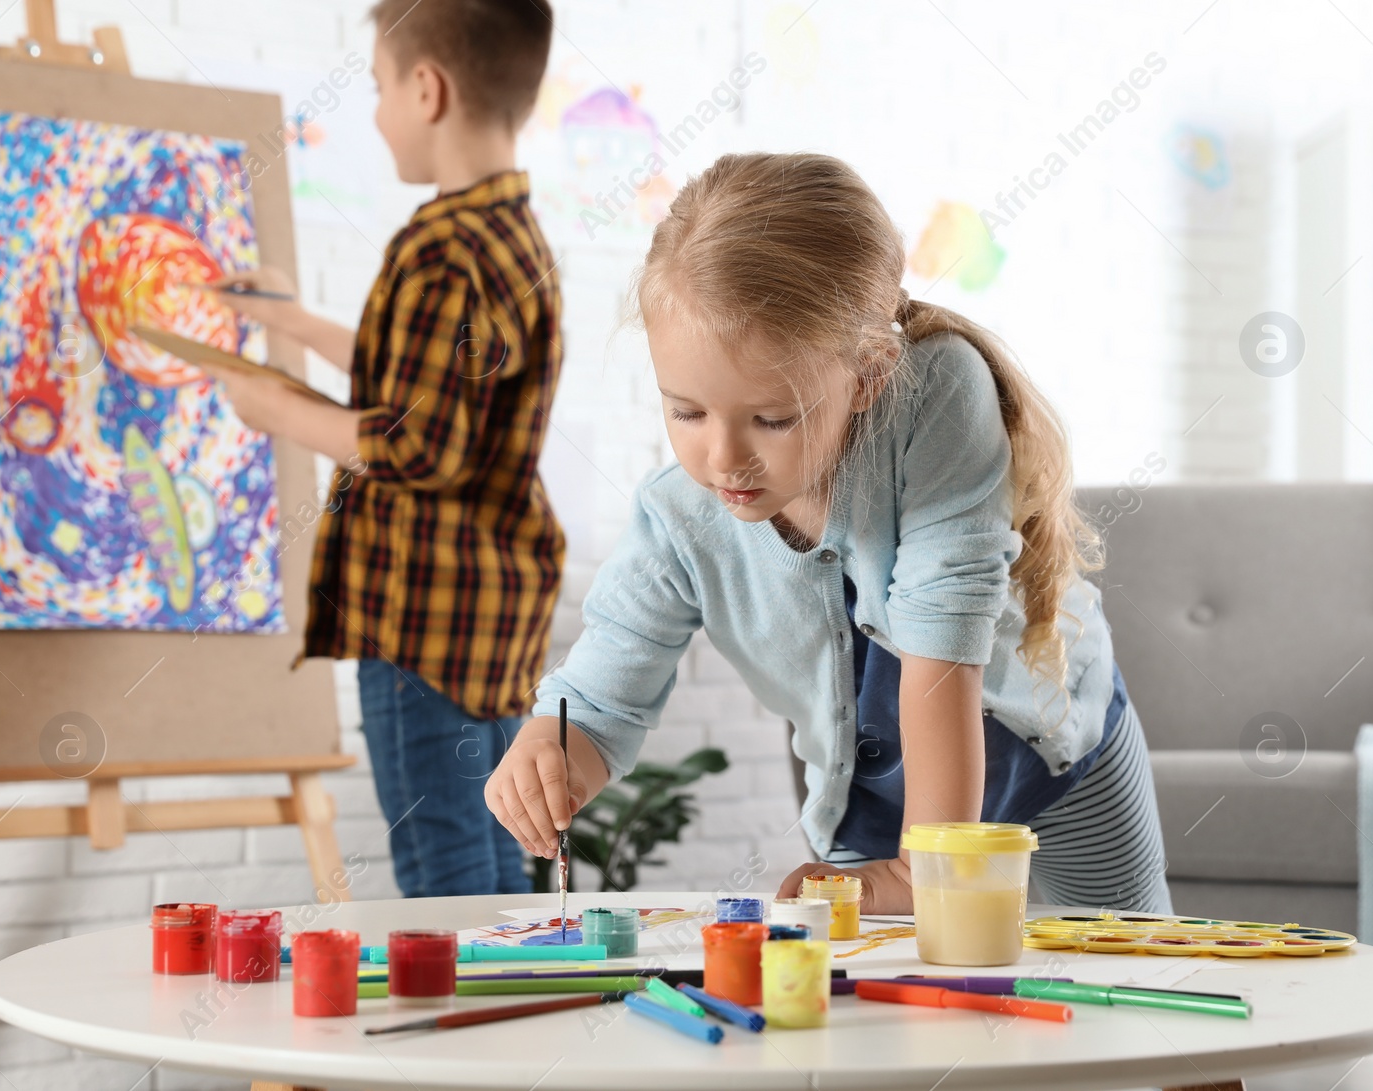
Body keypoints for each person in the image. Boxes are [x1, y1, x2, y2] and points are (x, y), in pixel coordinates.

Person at [483, 151, 1171, 915]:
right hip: (873, 797)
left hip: (1057, 748)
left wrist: (921, 874)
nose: (723, 457)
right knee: (878, 1013)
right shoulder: (678, 518)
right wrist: (552, 748)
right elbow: (601, 701)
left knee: (1137, 956)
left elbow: (943, 642)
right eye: (686, 411)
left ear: (870, 374)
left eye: (773, 419)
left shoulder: (937, 390)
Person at [207, 0, 562, 898]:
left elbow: (418, 445)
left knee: (445, 872)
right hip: (488, 614)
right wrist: (295, 322)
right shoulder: (511, 235)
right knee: (491, 854)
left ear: (426, 88)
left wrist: (276, 407)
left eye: (375, 89)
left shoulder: (443, 250)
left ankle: (472, 1037)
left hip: (421, 618)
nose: (373, 113)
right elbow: (431, 384)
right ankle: (518, 1028)